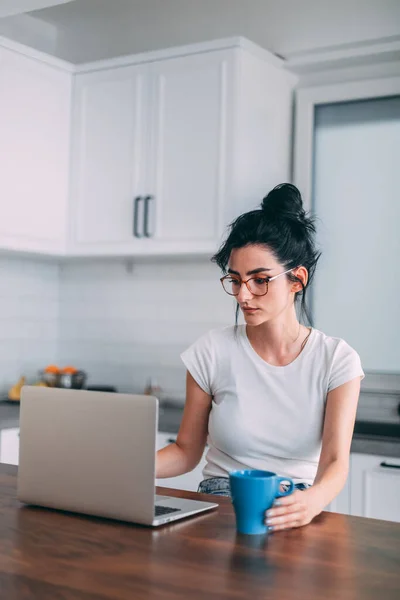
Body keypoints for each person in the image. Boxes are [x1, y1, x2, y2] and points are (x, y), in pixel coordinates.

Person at [156, 183, 364, 533]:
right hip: (218, 507)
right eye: (235, 281)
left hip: (297, 507)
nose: (243, 295)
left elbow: (334, 463)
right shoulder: (211, 351)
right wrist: (125, 462)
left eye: (260, 280)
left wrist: (312, 502)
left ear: (297, 279)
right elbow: (186, 451)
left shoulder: (336, 360)